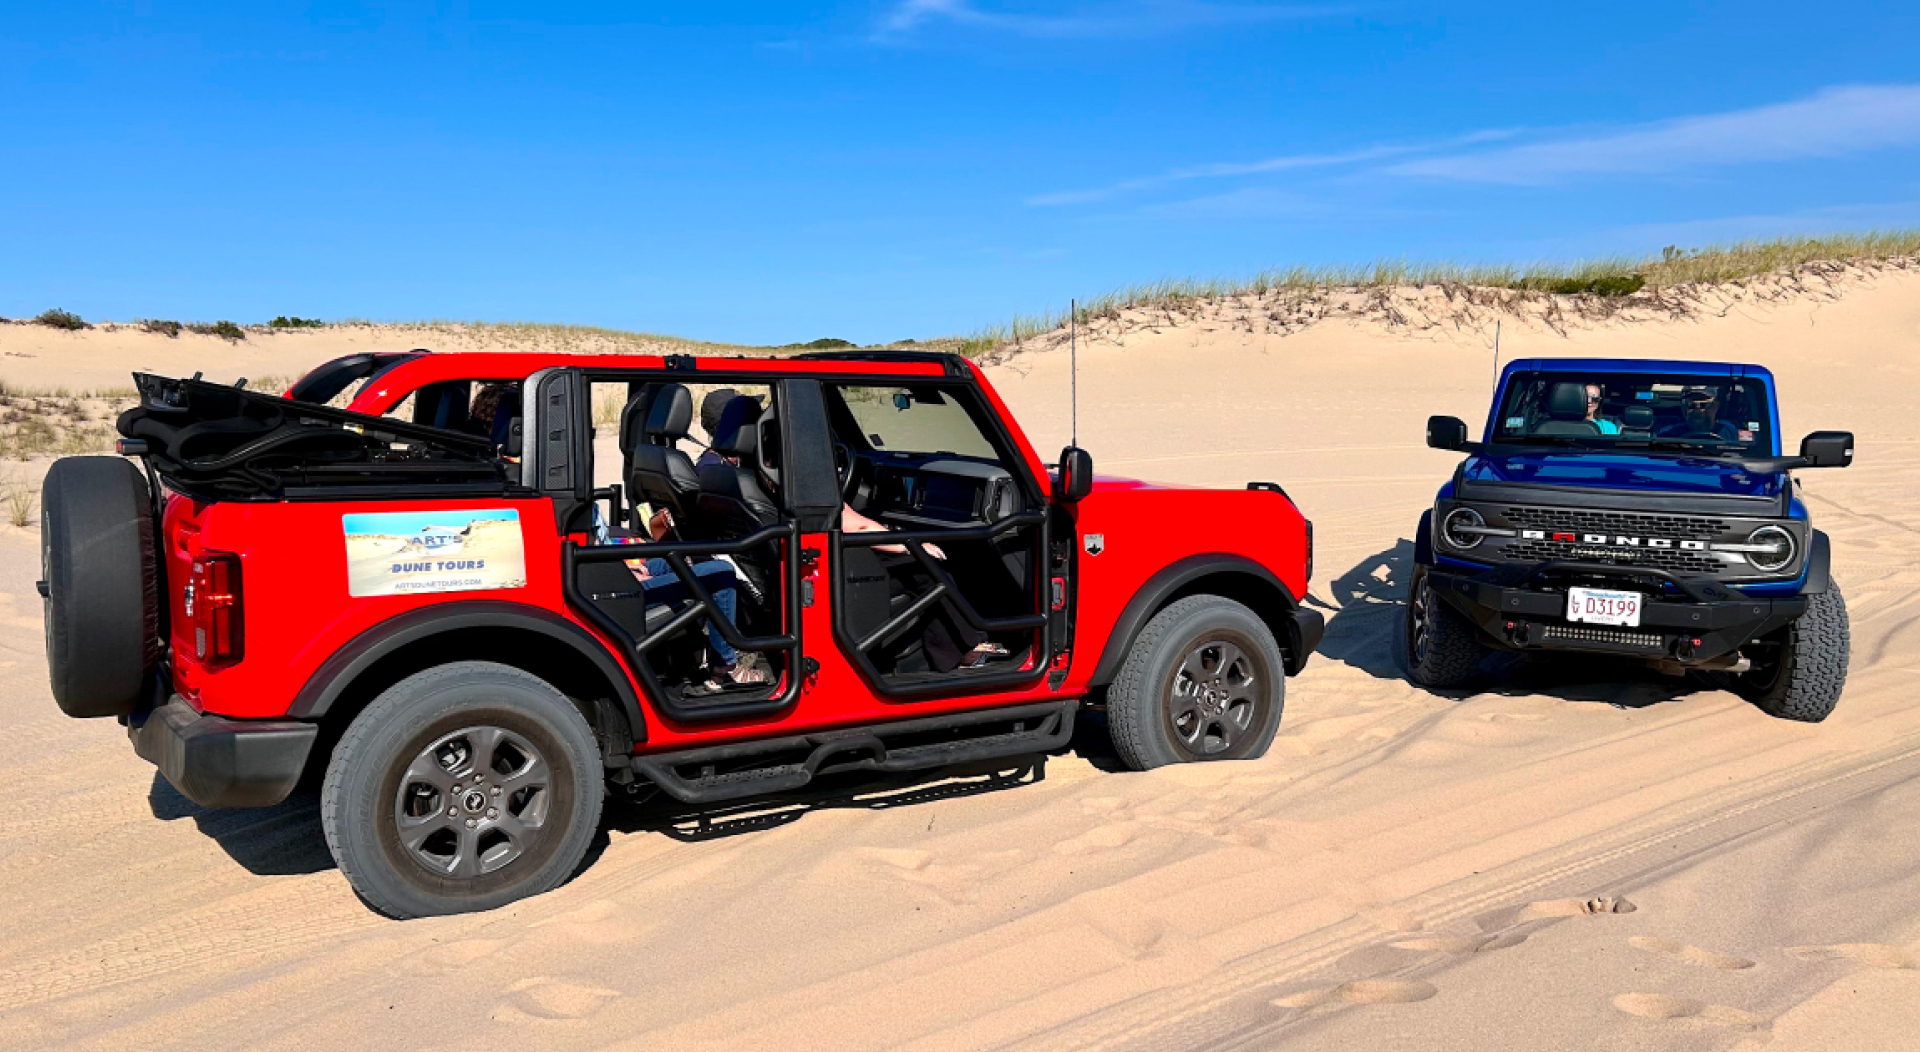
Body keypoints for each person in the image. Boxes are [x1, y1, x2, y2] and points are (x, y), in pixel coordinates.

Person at [592, 506, 766, 689]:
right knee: (721, 573)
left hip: (615, 576)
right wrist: (627, 577)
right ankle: (724, 667)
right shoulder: (579, 510)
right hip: (615, 590)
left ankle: (701, 650)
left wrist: (626, 569)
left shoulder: (582, 502)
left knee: (681, 559)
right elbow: (590, 564)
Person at [842, 504, 1008, 672]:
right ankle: (963, 653)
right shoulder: (824, 490)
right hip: (843, 577)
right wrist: (909, 546)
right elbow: (859, 527)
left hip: (837, 569)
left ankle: (966, 644)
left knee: (924, 564)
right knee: (928, 570)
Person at [1658, 388, 1740, 441]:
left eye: (1703, 405)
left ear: (1716, 406)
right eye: (1691, 405)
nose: (1698, 411)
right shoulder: (1668, 434)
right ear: (1684, 409)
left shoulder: (1729, 432)